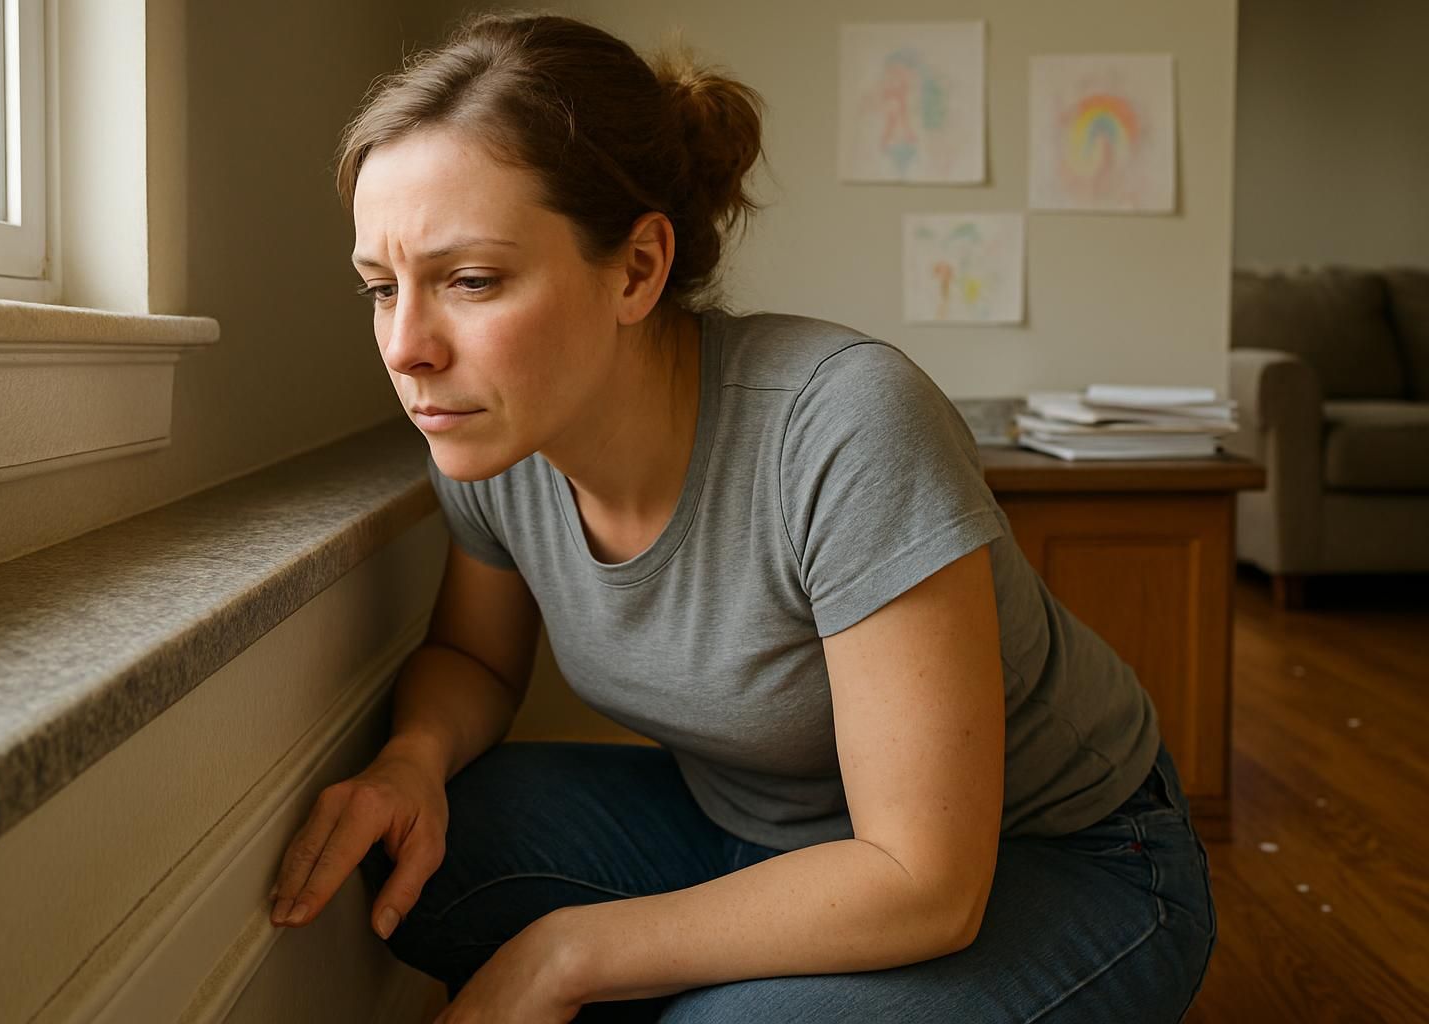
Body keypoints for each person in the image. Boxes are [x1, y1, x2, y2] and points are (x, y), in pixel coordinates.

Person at [267, 11, 1217, 1022]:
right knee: (425, 860)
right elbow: (478, 661)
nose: (408, 346)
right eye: (381, 287)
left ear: (636, 269)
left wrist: (565, 953)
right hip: (752, 830)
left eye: (469, 280)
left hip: (1055, 858)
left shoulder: (845, 424)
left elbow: (926, 877)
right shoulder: (490, 432)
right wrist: (411, 760)